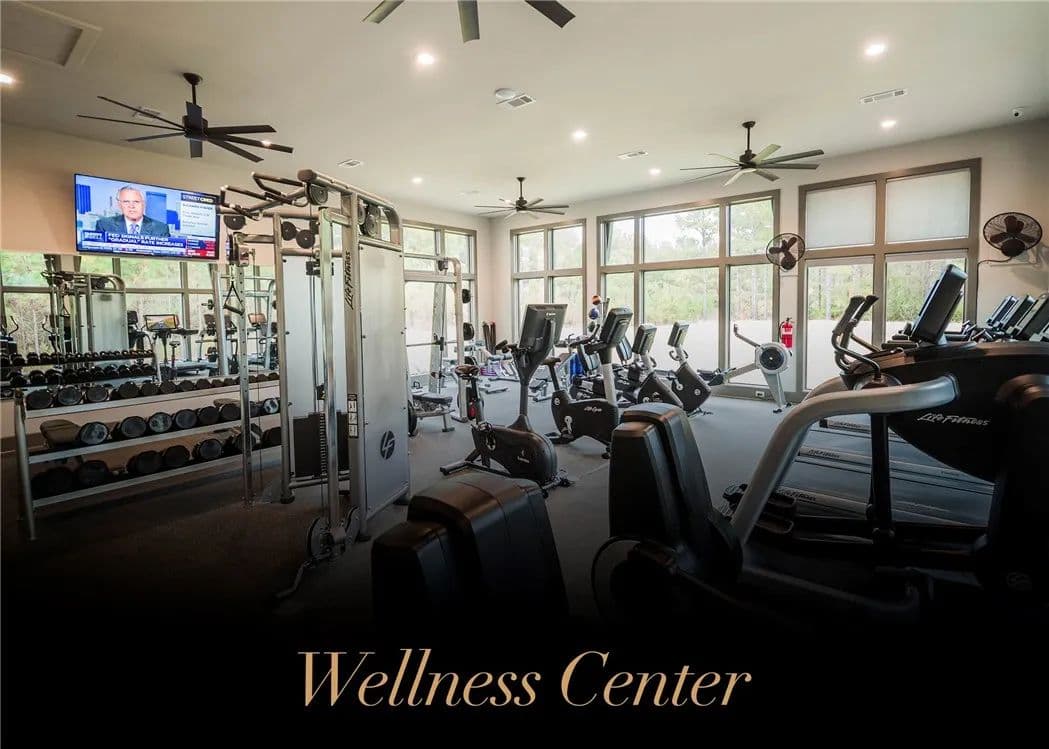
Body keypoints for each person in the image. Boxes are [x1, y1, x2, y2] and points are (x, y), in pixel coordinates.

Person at [95, 186, 170, 237]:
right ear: (119, 205)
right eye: (126, 202)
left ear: (144, 204)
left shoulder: (160, 228)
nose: (131, 206)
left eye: (136, 202)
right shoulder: (104, 225)